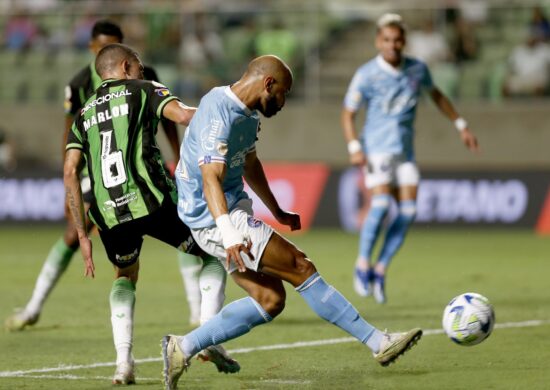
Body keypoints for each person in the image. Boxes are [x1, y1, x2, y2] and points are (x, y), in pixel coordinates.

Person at [161, 54, 422, 390]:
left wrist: (276, 208)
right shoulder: (218, 110)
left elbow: (250, 163)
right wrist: (228, 234)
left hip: (226, 215)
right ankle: (378, 343)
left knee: (271, 300)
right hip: (214, 219)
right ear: (268, 84)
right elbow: (210, 177)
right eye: (283, 93)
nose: (283, 102)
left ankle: (181, 347)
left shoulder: (248, 116)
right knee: (300, 265)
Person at [4, 20, 208, 333]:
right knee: (76, 233)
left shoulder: (146, 77)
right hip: (95, 168)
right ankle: (34, 306)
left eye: (110, 45)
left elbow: (168, 118)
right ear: (92, 48)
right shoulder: (79, 83)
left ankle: (195, 308)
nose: (103, 51)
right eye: (100, 46)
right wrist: (67, 186)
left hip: (142, 162)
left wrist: (176, 154)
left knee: (180, 219)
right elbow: (68, 134)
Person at [64, 43, 238, 385]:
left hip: (108, 214)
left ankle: (122, 365)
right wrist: (231, 105)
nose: (143, 73)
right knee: (214, 254)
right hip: (153, 200)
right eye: (140, 68)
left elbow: (70, 171)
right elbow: (186, 116)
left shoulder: (84, 113)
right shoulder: (143, 89)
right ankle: (206, 338)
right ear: (127, 66)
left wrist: (83, 235)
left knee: (125, 275)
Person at [341, 13, 479, 304]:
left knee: (408, 212)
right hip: (377, 148)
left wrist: (461, 125)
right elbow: (348, 113)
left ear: (404, 41)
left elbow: (437, 95)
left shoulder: (417, 69)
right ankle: (362, 263)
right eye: (387, 40)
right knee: (379, 204)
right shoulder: (367, 74)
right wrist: (354, 146)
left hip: (405, 152)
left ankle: (380, 269)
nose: (392, 45)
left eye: (397, 39)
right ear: (378, 42)